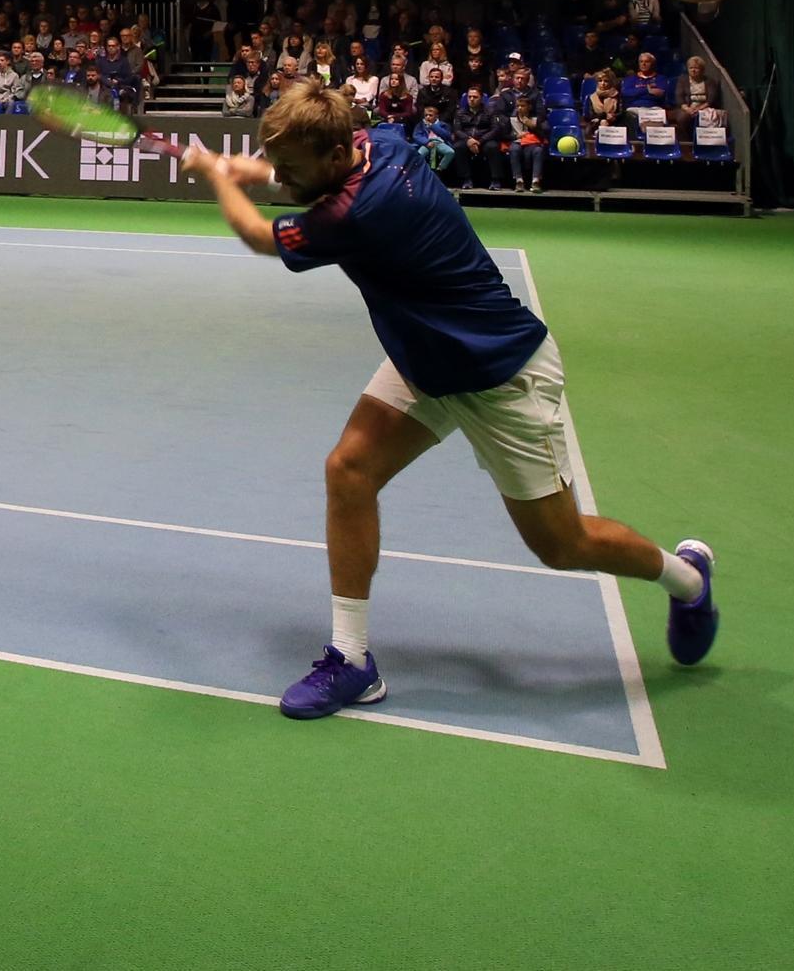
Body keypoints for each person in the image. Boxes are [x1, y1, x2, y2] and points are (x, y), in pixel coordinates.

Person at [179, 81, 717, 720]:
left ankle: (687, 579)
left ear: (334, 158)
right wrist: (258, 167)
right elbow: (300, 177)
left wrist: (218, 176)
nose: (286, 176)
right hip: (427, 360)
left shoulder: (356, 214)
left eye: (293, 168)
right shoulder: (379, 142)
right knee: (349, 470)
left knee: (562, 545)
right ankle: (351, 659)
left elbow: (258, 233)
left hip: (498, 372)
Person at [508, 95, 550, 193]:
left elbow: (543, 135)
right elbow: (504, 134)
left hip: (532, 143)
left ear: (529, 107)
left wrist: (532, 126)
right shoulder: (511, 118)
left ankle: (535, 181)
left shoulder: (536, 119)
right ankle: (519, 181)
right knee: (514, 149)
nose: (519, 108)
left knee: (538, 150)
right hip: (517, 142)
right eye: (518, 106)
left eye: (522, 106)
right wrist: (516, 136)